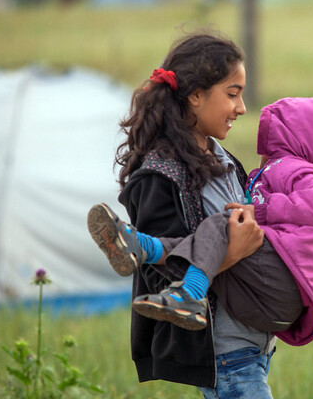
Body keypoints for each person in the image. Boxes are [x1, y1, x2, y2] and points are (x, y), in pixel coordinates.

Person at [88, 97, 313, 349]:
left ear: (295, 135)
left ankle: (190, 293)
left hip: (283, 277)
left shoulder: (299, 169)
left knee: (223, 225)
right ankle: (141, 247)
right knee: (206, 245)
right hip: (275, 294)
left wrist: (260, 211)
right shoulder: (271, 170)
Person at [97, 31, 276, 398]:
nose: (241, 108)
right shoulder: (161, 175)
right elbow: (165, 281)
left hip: (251, 346)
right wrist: (234, 252)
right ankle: (137, 244)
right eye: (232, 93)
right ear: (195, 95)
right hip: (224, 353)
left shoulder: (222, 159)